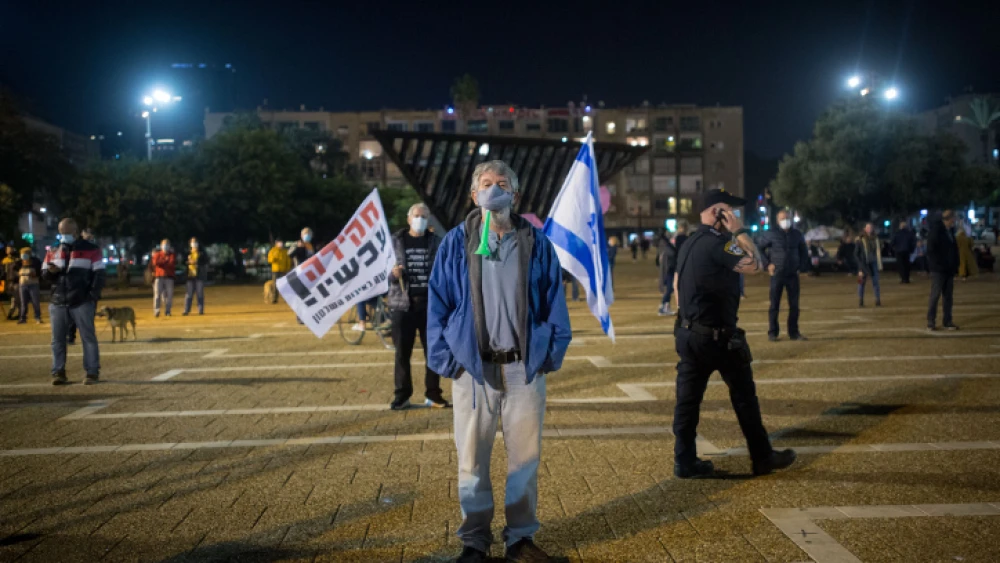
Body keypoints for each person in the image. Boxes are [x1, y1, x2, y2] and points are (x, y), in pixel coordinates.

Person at [427, 160, 571, 563]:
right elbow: (438, 303)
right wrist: (448, 362)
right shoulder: (457, 241)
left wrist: (550, 353)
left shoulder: (536, 242)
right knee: (472, 460)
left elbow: (553, 302)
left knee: (524, 459)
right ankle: (474, 541)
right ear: (474, 195)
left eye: (502, 184)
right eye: (486, 184)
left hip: (524, 368)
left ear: (516, 195)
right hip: (474, 369)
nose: (494, 189)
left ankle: (520, 539)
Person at [672, 189, 796, 479]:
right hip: (718, 338)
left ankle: (685, 461)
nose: (736, 216)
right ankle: (762, 457)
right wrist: (739, 230)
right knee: (744, 397)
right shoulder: (720, 245)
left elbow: (677, 285)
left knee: (687, 401)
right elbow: (756, 264)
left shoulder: (689, 242)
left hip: (689, 333)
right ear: (719, 213)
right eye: (731, 210)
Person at [386, 203, 448, 411]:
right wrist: (392, 276)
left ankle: (433, 394)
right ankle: (402, 395)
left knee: (432, 351)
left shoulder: (436, 242)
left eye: (424, 216)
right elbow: (381, 274)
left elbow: (445, 270)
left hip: (430, 305)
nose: (420, 219)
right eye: (416, 215)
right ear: (408, 218)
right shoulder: (395, 242)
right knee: (402, 353)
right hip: (402, 305)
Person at [42, 218, 104, 385]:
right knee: (57, 339)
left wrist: (92, 295)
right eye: (61, 233)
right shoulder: (53, 249)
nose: (63, 236)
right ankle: (58, 372)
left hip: (82, 300)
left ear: (76, 232)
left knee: (87, 337)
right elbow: (44, 274)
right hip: (58, 300)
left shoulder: (91, 249)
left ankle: (92, 372)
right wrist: (51, 271)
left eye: (66, 233)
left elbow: (99, 274)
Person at [758, 210, 809, 341]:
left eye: (787, 218)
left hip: (792, 274)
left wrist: (801, 267)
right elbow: (759, 248)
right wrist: (767, 264)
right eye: (782, 218)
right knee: (774, 304)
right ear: (777, 220)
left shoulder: (797, 234)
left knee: (794, 305)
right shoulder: (771, 234)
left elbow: (804, 251)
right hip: (777, 273)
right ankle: (772, 333)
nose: (785, 220)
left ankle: (794, 333)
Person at [927, 210, 960, 331]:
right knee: (935, 295)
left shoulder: (950, 231)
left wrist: (955, 264)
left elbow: (953, 249)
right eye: (953, 218)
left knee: (948, 297)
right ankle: (931, 321)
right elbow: (931, 250)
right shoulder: (937, 231)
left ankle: (947, 321)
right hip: (939, 269)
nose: (954, 221)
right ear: (949, 219)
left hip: (949, 269)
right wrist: (938, 264)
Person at [289, 228, 315, 325]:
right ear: (301, 235)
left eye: (308, 233)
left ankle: (308, 315)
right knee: (300, 295)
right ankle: (300, 316)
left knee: (308, 295)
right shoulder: (297, 244)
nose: (307, 235)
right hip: (299, 273)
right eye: (305, 233)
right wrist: (298, 248)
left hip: (309, 274)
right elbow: (290, 254)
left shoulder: (311, 246)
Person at [854, 224, 882, 307]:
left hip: (873, 263)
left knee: (876, 282)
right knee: (861, 283)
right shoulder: (860, 240)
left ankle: (877, 300)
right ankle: (861, 301)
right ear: (865, 229)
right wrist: (860, 265)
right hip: (863, 264)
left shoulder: (876, 239)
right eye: (868, 228)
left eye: (871, 227)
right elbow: (856, 254)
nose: (869, 229)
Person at [183, 237, 208, 316]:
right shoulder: (187, 253)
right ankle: (186, 310)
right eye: (192, 242)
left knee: (200, 293)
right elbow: (183, 262)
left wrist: (197, 262)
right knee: (189, 294)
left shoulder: (202, 253)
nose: (194, 244)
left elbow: (205, 261)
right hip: (190, 276)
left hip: (199, 276)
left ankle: (200, 310)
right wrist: (188, 262)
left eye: (195, 242)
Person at [17, 247, 43, 324]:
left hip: (33, 284)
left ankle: (37, 317)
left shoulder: (35, 262)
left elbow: (40, 272)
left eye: (25, 254)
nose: (23, 256)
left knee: (35, 302)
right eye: (22, 254)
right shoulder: (19, 262)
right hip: (22, 284)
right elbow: (14, 271)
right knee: (23, 302)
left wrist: (35, 274)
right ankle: (23, 318)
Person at [152, 239, 177, 317]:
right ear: (161, 245)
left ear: (169, 246)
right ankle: (156, 311)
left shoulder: (172, 255)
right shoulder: (157, 254)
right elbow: (155, 263)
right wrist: (165, 261)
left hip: (169, 277)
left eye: (167, 244)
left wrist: (162, 262)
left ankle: (168, 311)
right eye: (164, 244)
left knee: (169, 295)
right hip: (159, 277)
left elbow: (171, 263)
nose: (165, 246)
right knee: (157, 295)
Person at [658, 236, 677, 315]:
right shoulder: (668, 249)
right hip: (668, 272)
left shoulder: (666, 249)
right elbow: (672, 254)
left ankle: (665, 306)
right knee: (669, 289)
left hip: (668, 272)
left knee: (669, 289)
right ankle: (663, 307)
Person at [3, 246, 20, 320]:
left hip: (16, 281)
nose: (9, 251)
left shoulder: (17, 260)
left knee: (17, 298)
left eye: (10, 249)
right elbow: (3, 272)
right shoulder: (4, 261)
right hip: (8, 281)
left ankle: (16, 313)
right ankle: (13, 313)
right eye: (7, 249)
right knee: (13, 298)